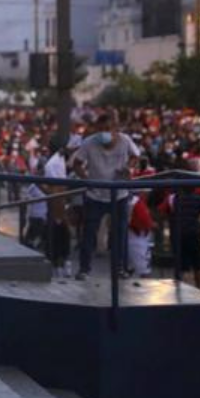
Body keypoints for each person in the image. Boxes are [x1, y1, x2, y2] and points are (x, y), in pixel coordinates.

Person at [73, 114, 140, 280]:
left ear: (116, 130)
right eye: (101, 130)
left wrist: (128, 168)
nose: (104, 133)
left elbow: (135, 156)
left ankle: (119, 268)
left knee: (120, 234)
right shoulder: (89, 142)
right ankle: (84, 269)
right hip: (95, 195)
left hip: (119, 195)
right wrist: (86, 180)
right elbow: (77, 163)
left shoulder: (125, 141)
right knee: (89, 234)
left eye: (108, 129)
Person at [166, 187, 200, 288]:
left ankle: (183, 290)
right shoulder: (199, 200)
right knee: (197, 263)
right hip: (194, 234)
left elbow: (163, 211)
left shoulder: (174, 198)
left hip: (179, 234)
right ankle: (199, 289)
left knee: (181, 265)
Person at [43, 134, 72, 278]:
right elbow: (55, 189)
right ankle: (57, 265)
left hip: (62, 202)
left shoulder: (61, 160)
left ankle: (63, 262)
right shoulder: (52, 164)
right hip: (56, 206)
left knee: (64, 235)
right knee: (56, 235)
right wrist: (59, 214)